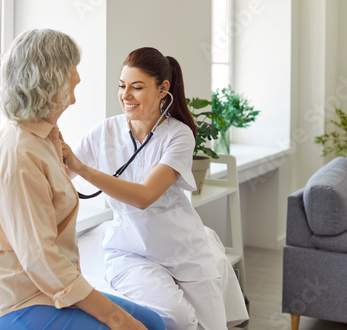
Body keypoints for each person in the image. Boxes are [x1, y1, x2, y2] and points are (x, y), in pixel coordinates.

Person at [0, 30, 165, 330]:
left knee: (153, 322)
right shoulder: (18, 151)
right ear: (52, 78)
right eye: (73, 67)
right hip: (17, 299)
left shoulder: (44, 134)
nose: (79, 77)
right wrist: (115, 318)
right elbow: (40, 258)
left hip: (45, 290)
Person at [62, 47, 234, 330]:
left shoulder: (178, 135)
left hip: (184, 249)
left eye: (137, 87)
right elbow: (58, 175)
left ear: (163, 89)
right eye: (121, 86)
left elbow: (144, 196)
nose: (125, 95)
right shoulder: (103, 132)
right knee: (178, 318)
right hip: (131, 252)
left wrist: (83, 169)